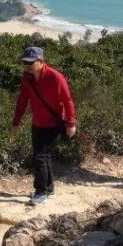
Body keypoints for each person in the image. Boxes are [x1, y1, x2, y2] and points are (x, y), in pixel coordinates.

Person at [10, 47, 77, 206]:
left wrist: (71, 123)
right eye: (25, 62)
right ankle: (49, 187)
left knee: (40, 156)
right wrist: (15, 123)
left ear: (41, 61)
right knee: (43, 156)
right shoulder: (27, 78)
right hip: (37, 124)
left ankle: (41, 191)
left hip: (54, 124)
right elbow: (22, 101)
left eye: (31, 62)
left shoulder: (55, 77)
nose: (27, 66)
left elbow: (67, 101)